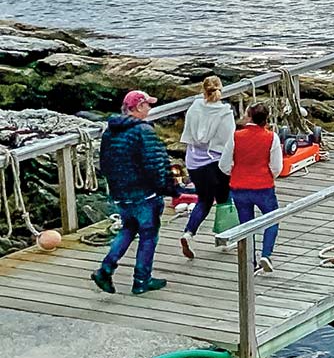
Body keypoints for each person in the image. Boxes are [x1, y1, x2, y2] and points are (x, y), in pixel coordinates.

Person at [90, 90, 178, 295]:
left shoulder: (110, 131)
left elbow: (105, 163)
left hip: (121, 193)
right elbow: (155, 164)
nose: (149, 108)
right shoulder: (143, 131)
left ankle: (106, 269)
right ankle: (141, 280)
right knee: (148, 235)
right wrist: (169, 188)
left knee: (127, 229)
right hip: (144, 194)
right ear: (138, 107)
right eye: (147, 105)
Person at [177, 75, 235, 259]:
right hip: (216, 162)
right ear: (220, 89)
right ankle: (224, 237)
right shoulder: (225, 113)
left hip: (194, 162)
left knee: (204, 200)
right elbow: (229, 142)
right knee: (224, 200)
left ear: (203, 90)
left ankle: (189, 232)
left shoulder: (194, 108)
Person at [222, 102, 282, 274]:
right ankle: (266, 254)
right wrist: (268, 176)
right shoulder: (271, 137)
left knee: (246, 224)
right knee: (272, 219)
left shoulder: (236, 136)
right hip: (263, 186)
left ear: (249, 116)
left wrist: (235, 173)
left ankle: (250, 261)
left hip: (239, 187)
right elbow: (276, 166)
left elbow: (224, 164)